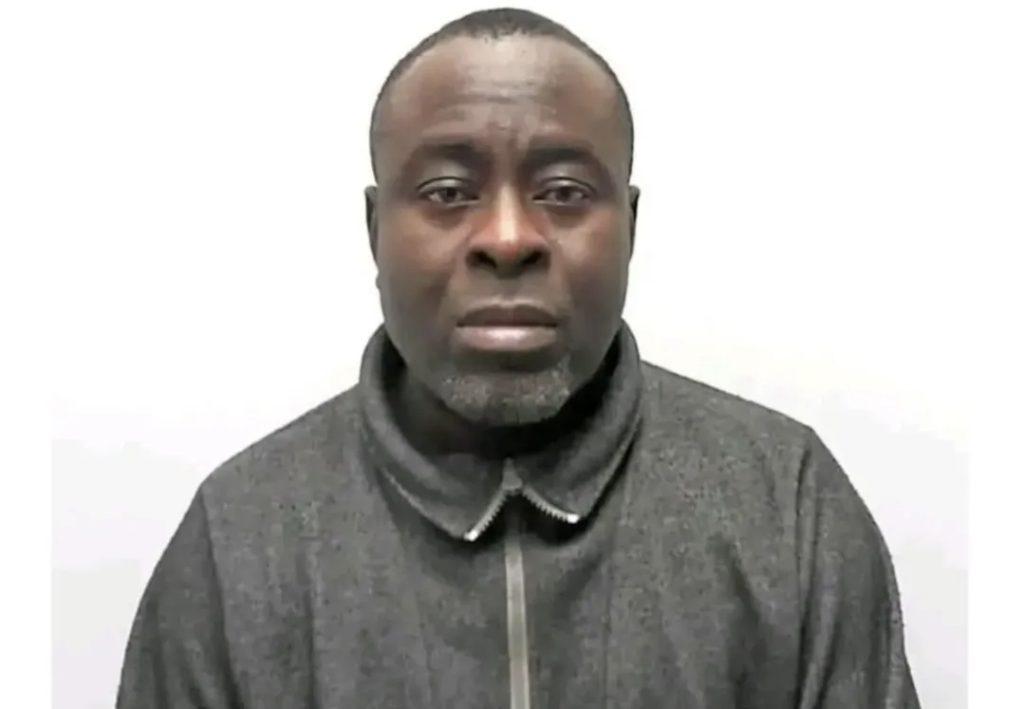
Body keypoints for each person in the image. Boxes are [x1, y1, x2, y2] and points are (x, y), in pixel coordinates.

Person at [117, 7, 920, 708]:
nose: (508, 238)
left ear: (630, 227)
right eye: (447, 192)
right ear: (374, 230)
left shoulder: (786, 507)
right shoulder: (239, 539)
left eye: (564, 192)